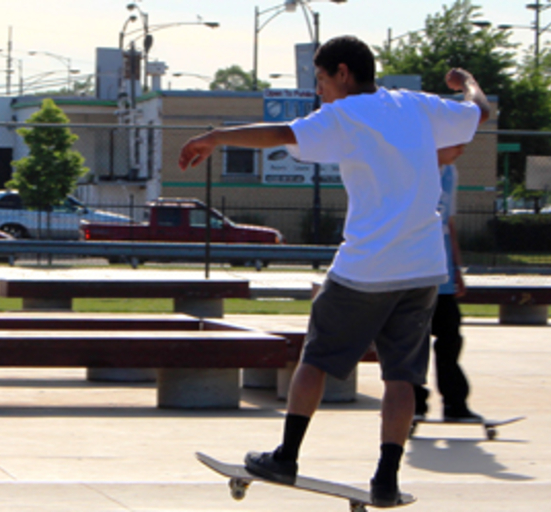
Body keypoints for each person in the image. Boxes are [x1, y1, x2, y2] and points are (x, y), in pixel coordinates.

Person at [178, 36, 490, 506]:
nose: (319, 92)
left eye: (321, 80)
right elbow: (479, 112)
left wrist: (216, 136)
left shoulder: (343, 115)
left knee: (318, 358)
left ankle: (286, 455)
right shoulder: (417, 106)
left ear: (343, 73)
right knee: (402, 376)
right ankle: (385, 480)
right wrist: (466, 81)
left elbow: (282, 133)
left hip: (367, 267)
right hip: (424, 267)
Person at [414, 144, 482, 422]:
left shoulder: (450, 172)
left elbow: (449, 223)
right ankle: (414, 404)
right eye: (456, 146)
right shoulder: (413, 171)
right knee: (413, 343)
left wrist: (457, 268)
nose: (461, 152)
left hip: (441, 274)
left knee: (450, 339)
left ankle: (455, 403)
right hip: (412, 274)